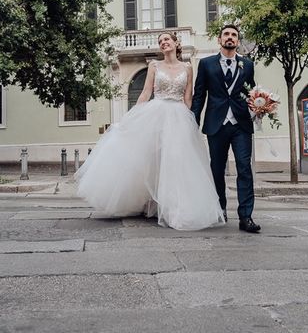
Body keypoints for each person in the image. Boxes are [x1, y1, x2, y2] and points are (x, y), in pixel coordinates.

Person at [75, 32, 225, 231]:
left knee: (176, 160)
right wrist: (133, 116)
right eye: (161, 41)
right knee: (153, 158)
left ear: (175, 43)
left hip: (179, 116)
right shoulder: (154, 66)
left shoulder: (188, 68)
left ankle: (172, 205)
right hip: (157, 113)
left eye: (167, 40)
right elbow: (146, 92)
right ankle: (151, 202)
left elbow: (189, 96)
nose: (164, 43)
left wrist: (190, 122)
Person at [191, 24, 261, 233]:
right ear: (219, 40)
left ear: (238, 41)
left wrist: (261, 106)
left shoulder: (247, 64)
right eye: (226, 35)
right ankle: (220, 207)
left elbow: (251, 92)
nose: (230, 38)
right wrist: (193, 119)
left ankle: (246, 216)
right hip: (216, 124)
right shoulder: (206, 64)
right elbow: (199, 94)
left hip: (241, 124)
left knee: (244, 168)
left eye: (234, 35)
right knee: (216, 169)